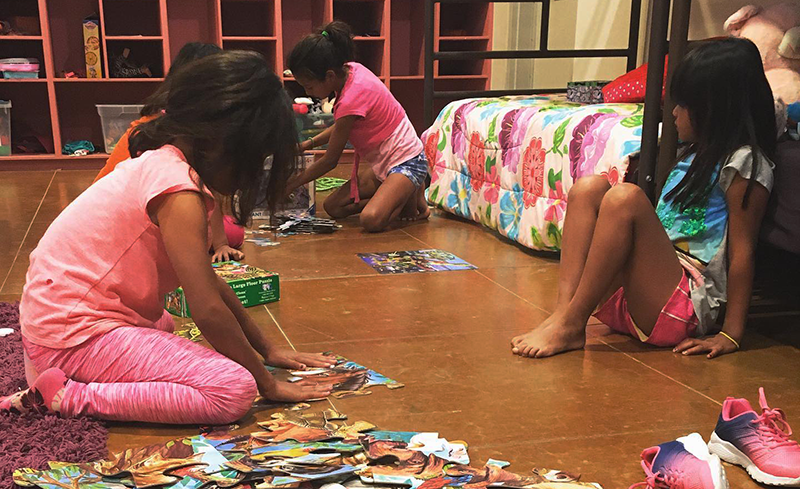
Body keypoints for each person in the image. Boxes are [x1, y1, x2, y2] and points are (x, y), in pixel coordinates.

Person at [0, 51, 336, 425]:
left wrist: (268, 349)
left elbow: (209, 284)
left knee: (163, 324)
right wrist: (265, 382)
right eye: (254, 160)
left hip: (52, 328)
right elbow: (207, 308)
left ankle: (62, 371)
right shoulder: (179, 192)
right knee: (232, 389)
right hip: (68, 338)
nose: (252, 174)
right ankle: (68, 395)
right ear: (222, 142)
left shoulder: (166, 163)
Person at [511, 38, 776, 360]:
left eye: (684, 105)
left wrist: (731, 334)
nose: (674, 112)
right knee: (589, 188)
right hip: (641, 296)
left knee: (625, 197)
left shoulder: (745, 163)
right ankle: (566, 314)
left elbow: (743, 252)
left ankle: (571, 322)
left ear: (716, 109)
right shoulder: (690, 154)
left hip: (685, 305)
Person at [93, 42, 244, 263]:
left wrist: (220, 244)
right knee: (228, 232)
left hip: (125, 215)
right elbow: (201, 188)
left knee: (228, 231)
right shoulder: (169, 135)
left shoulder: (166, 120)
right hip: (125, 223)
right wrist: (216, 242)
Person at [285, 21, 429, 232]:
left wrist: (289, 186)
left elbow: (330, 161)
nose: (308, 93)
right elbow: (343, 127)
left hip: (408, 160)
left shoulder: (350, 100)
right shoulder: (352, 69)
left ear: (329, 76)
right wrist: (308, 144)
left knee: (371, 220)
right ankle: (401, 194)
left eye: (309, 86)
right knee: (333, 207)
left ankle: (411, 190)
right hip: (385, 162)